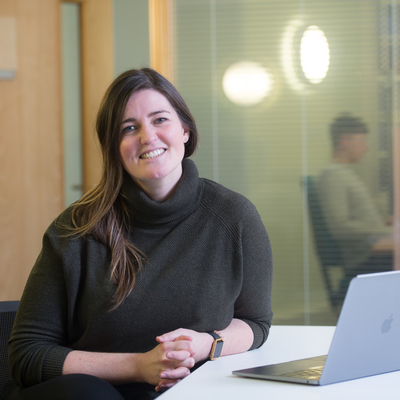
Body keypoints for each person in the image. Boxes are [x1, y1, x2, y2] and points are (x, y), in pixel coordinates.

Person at [3, 68, 273, 400]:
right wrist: (139, 366)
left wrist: (207, 344)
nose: (147, 137)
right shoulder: (75, 229)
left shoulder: (235, 216)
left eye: (160, 120)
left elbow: (255, 323)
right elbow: (26, 355)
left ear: (185, 130)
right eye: (129, 128)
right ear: (115, 148)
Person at [316, 113, 392, 278]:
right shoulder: (332, 176)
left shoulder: (345, 174)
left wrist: (386, 225)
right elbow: (341, 227)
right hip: (365, 258)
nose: (365, 148)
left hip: (375, 251)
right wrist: (385, 230)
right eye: (362, 142)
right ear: (344, 141)